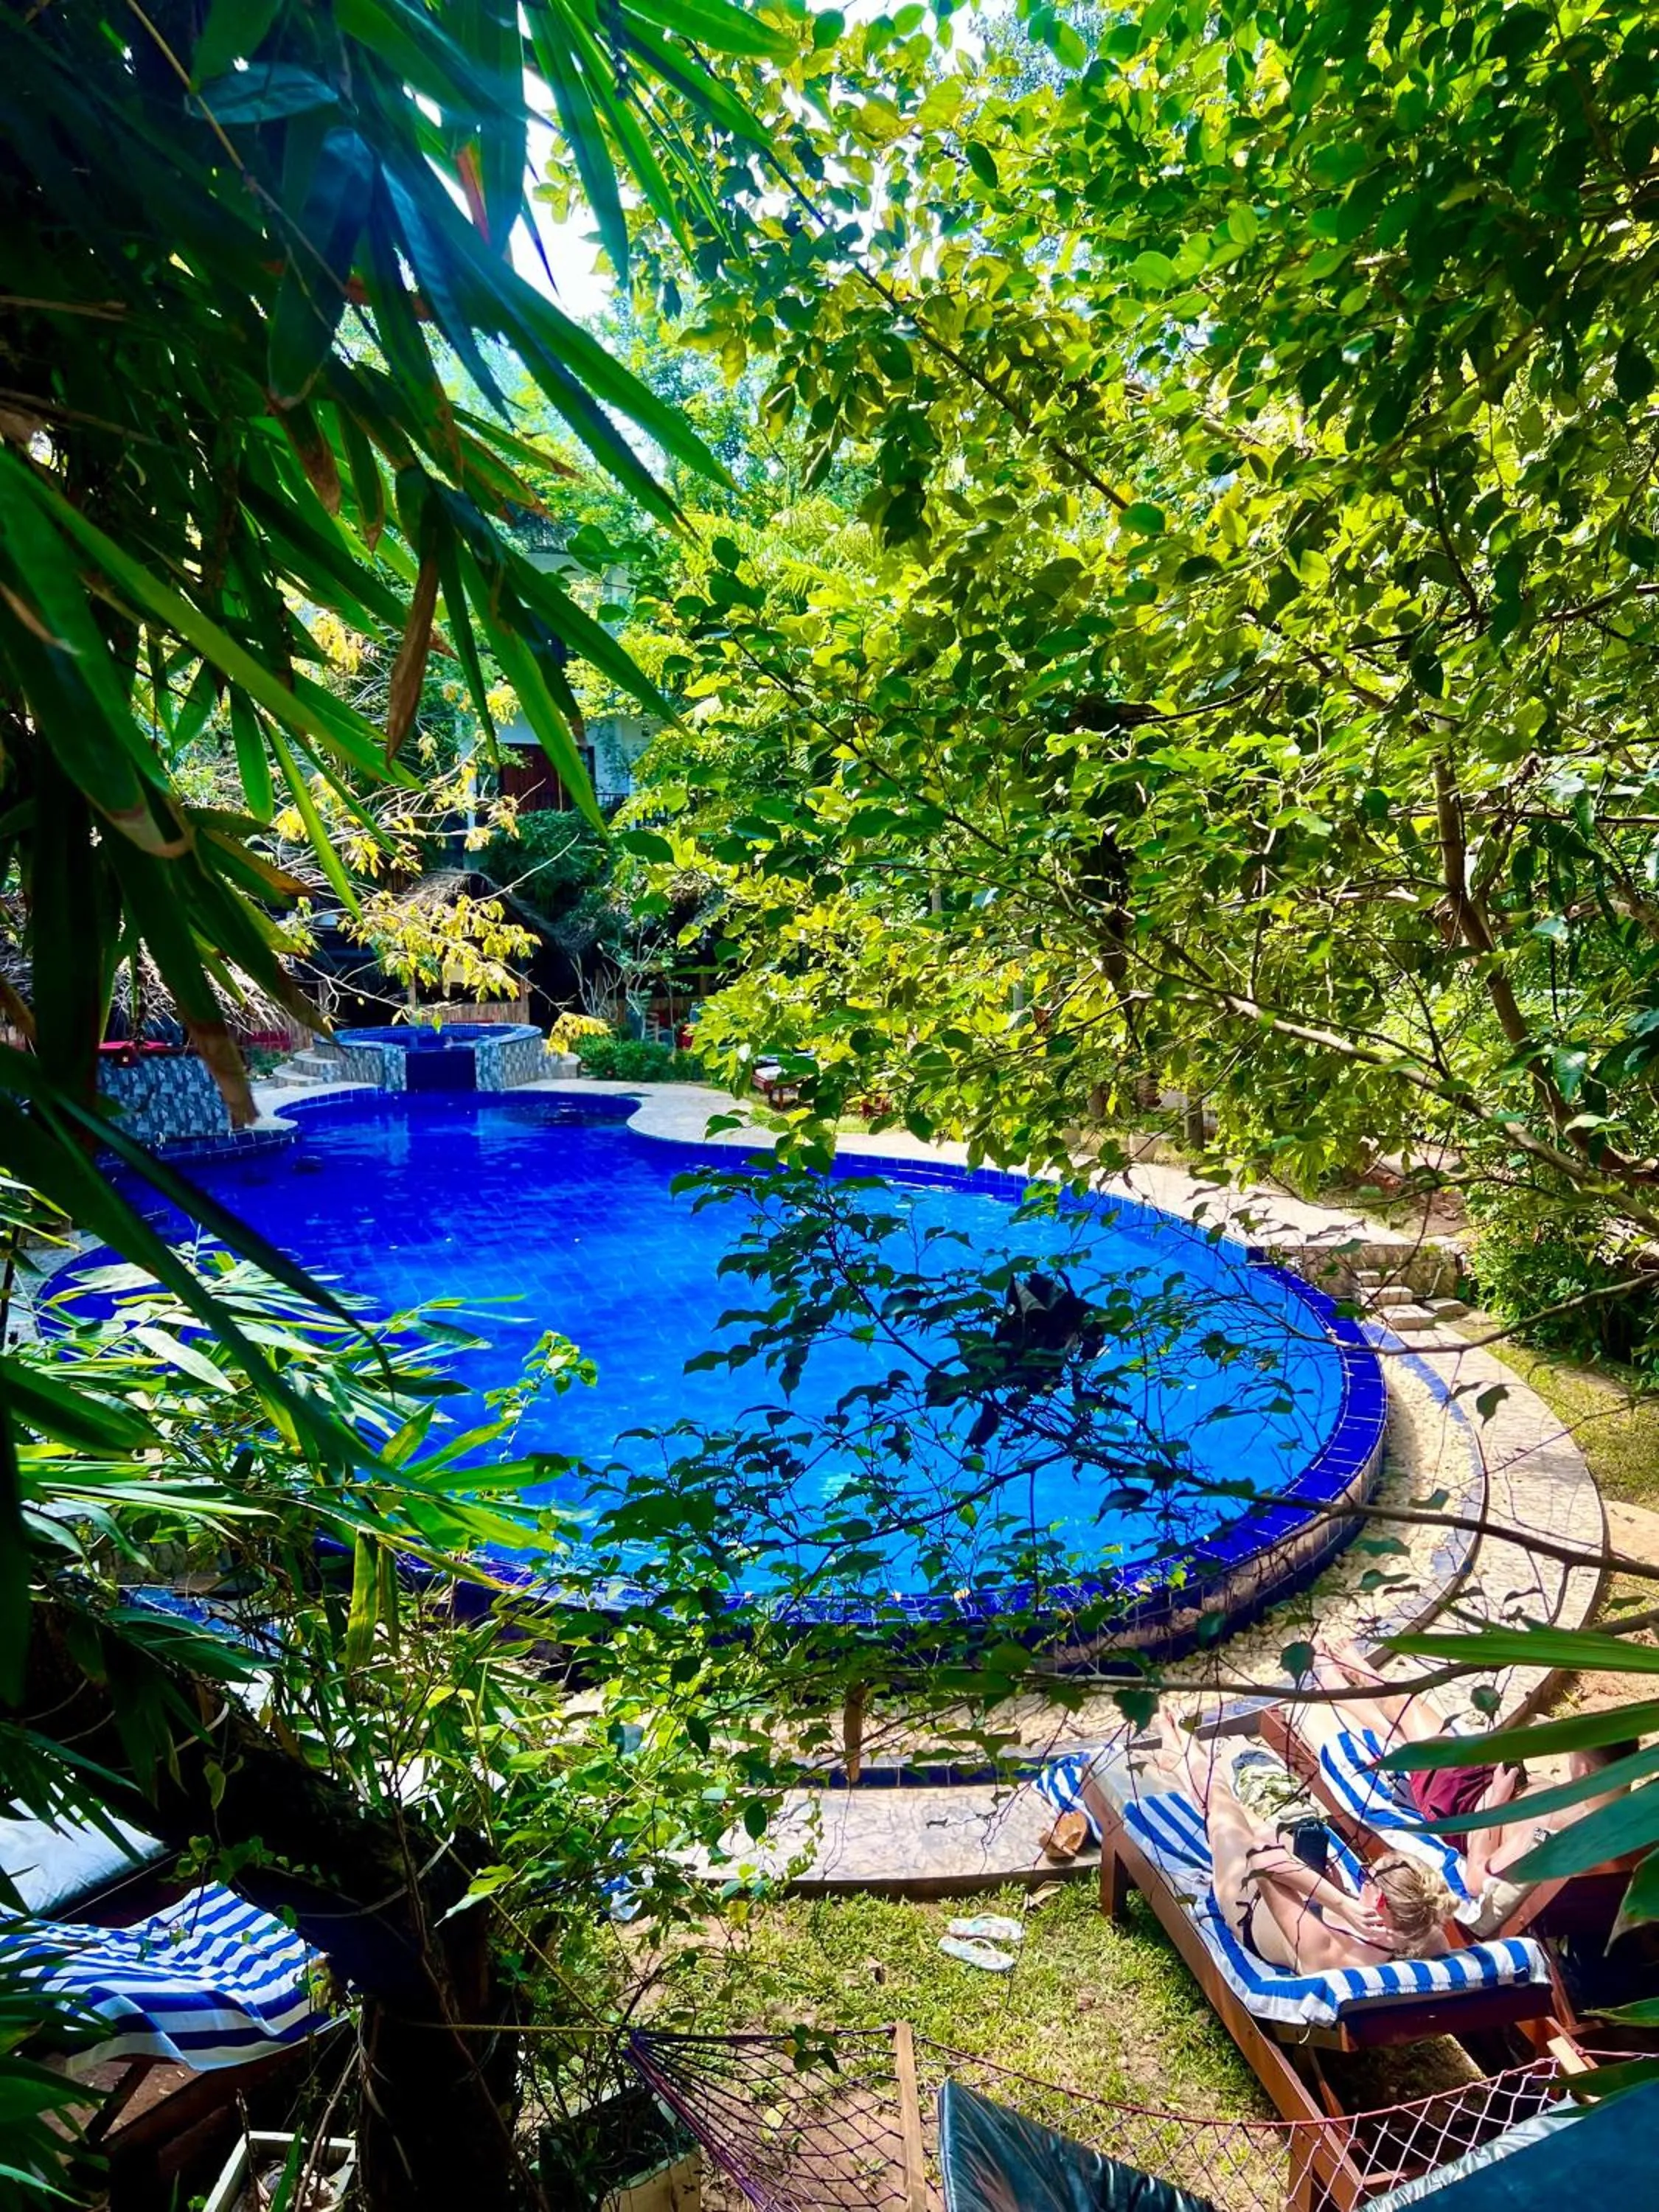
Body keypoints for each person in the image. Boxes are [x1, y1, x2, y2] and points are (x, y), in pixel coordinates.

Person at [1301, 1636, 1637, 1921]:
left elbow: (1476, 1879)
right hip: (1486, 1782)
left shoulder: (1548, 1830)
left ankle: (1351, 1668)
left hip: (1462, 1800)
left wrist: (1497, 1800)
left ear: (1585, 1770)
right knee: (1408, 1736)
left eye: (1573, 1755)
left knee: (1407, 1708)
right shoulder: (1634, 1827)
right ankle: (1337, 1684)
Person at [1149, 1705, 1455, 1975]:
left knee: (1220, 1804)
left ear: (1380, 1901)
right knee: (1246, 1817)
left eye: (1366, 1877)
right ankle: (1180, 1761)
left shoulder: (1329, 1951)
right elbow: (1431, 1930)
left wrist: (1340, 1902)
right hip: (1292, 1891)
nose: (1361, 1879)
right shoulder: (1418, 1932)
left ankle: (1180, 1748)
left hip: (1247, 1902)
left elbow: (1261, 1860)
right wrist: (1334, 1890)